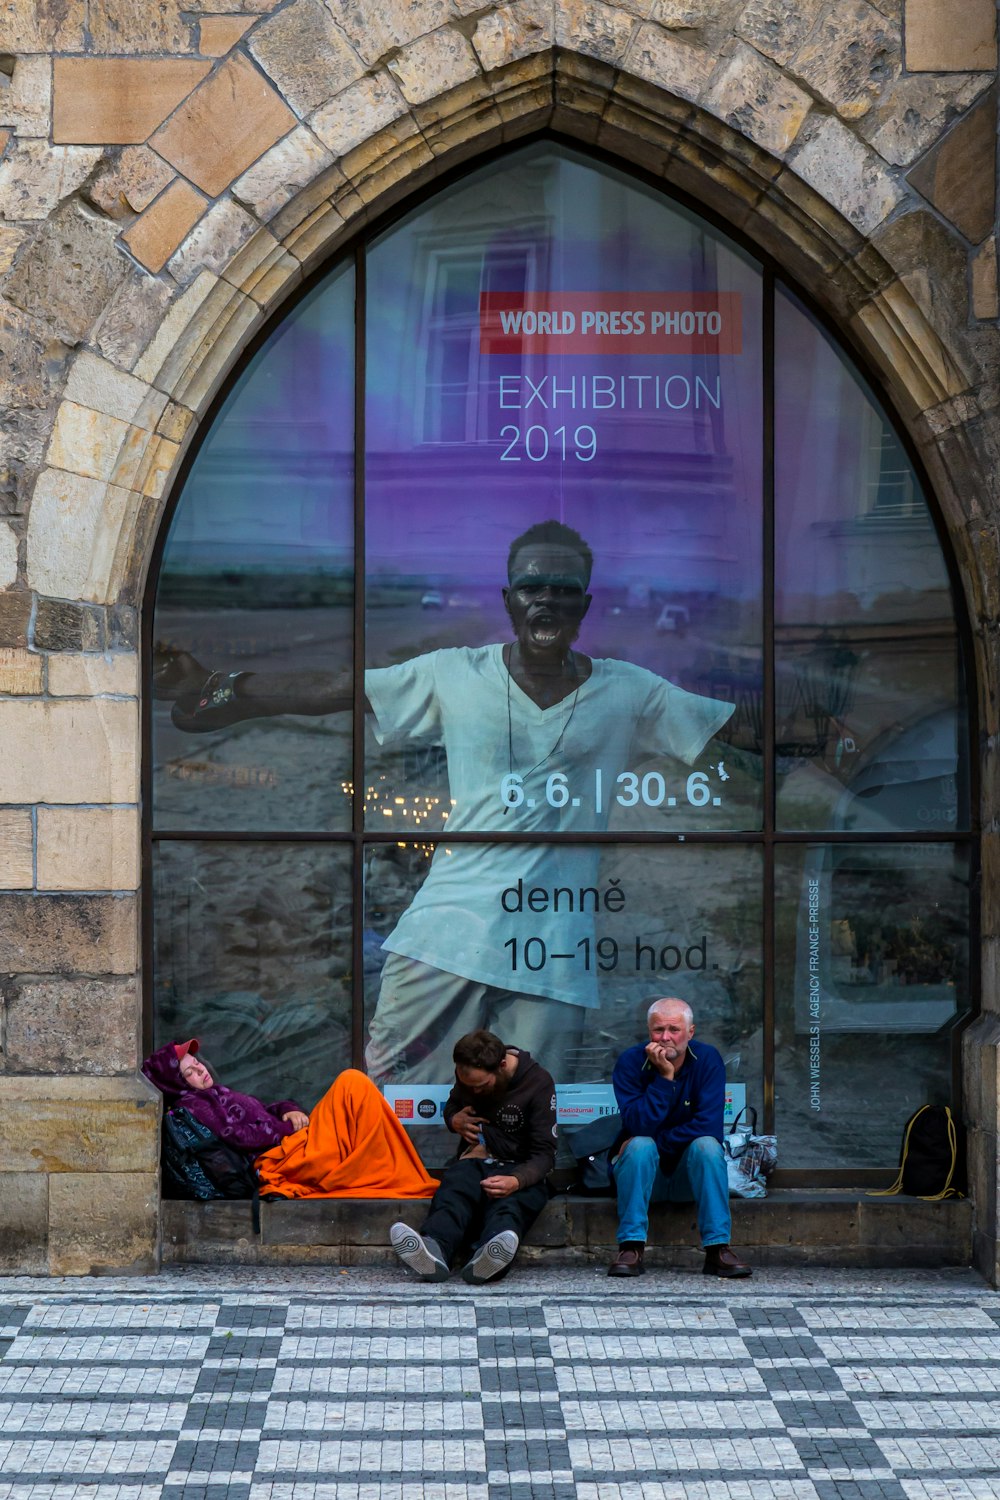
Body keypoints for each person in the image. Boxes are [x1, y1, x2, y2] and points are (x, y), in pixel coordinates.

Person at [155, 521, 735, 1090]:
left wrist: (825, 729)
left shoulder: (629, 690)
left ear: (585, 605)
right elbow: (340, 688)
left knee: (533, 1109)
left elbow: (730, 728)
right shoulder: (456, 673)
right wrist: (222, 686)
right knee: (394, 1092)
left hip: (554, 944)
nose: (547, 602)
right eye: (533, 588)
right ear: (510, 600)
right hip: (450, 930)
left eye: (563, 590)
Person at [142, 1038, 439, 1199]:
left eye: (197, 1063)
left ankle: (400, 1172)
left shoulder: (214, 1092)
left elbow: (262, 1110)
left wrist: (288, 1108)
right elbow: (238, 1136)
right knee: (352, 1083)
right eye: (189, 1072)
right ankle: (404, 1174)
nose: (200, 1070)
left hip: (293, 1144)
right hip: (283, 1159)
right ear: (176, 1083)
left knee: (354, 1088)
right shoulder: (196, 1104)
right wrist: (286, 1128)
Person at [389, 1029, 556, 1283]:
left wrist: (516, 1180)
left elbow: (545, 1154)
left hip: (518, 1170)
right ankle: (433, 1251)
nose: (474, 1092)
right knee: (453, 1194)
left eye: (481, 1086)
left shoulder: (538, 1083)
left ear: (501, 1066)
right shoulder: (468, 1077)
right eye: (467, 1085)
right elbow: (455, 1104)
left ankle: (490, 1258)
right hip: (474, 1161)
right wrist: (454, 1119)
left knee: (508, 1208)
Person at [607, 997, 752, 1278]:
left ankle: (717, 1249)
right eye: (658, 1030)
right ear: (648, 1031)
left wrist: (656, 1140)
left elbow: (708, 1127)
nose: (665, 1038)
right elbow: (638, 1124)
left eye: (674, 1030)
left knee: (707, 1147)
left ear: (690, 1032)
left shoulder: (707, 1059)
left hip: (690, 1177)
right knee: (639, 1146)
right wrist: (664, 1078)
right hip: (643, 1176)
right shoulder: (629, 1062)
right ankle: (631, 1247)